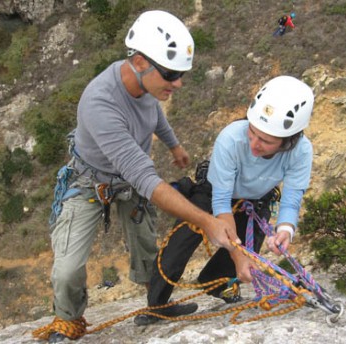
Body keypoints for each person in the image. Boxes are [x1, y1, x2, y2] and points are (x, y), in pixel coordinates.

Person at [39, 10, 239, 343]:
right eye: (171, 74)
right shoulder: (100, 102)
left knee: (147, 248)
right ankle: (68, 319)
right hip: (91, 182)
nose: (178, 83)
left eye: (181, 74)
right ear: (142, 62)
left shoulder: (147, 88)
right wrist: (206, 221)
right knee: (68, 268)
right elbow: (145, 177)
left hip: (127, 181)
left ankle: (156, 305)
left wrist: (175, 147)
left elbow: (155, 117)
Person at [135, 75, 314, 326]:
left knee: (247, 248)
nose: (254, 144)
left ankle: (217, 285)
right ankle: (157, 305)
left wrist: (285, 228)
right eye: (252, 132)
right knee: (179, 244)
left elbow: (293, 196)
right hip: (215, 191)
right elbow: (220, 201)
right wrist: (236, 252)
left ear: (289, 141)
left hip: (255, 199)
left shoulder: (302, 152)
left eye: (266, 141)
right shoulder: (231, 137)